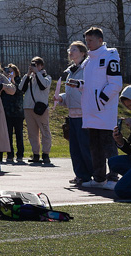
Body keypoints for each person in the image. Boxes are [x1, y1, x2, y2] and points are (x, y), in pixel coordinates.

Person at [81, 27, 123, 190]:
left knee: (109, 147)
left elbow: (115, 84)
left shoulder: (110, 57)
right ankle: (98, 178)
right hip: (91, 112)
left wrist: (100, 102)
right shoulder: (88, 60)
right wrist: (79, 85)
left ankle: (113, 178)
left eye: (90, 41)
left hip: (104, 112)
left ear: (100, 40)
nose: (88, 44)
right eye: (87, 41)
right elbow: (91, 84)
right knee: (95, 147)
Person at [57, 41, 93, 186]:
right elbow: (70, 93)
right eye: (69, 49)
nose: (71, 52)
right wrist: (61, 98)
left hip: (85, 114)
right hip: (72, 114)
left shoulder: (87, 68)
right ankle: (80, 175)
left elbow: (88, 88)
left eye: (74, 49)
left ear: (83, 53)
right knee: (75, 148)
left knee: (85, 147)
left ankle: (93, 175)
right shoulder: (70, 71)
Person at [20, 56, 52, 164]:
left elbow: (43, 85)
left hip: (41, 109)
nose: (34, 67)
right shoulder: (29, 77)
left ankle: (46, 154)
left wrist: (37, 73)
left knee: (45, 131)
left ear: (41, 66)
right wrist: (28, 74)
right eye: (33, 64)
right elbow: (21, 88)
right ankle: (36, 154)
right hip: (28, 108)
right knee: (32, 133)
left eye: (37, 65)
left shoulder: (47, 77)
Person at [0, 62, 25, 164]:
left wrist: (13, 80)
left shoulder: (20, 81)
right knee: (8, 134)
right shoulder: (4, 82)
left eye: (11, 71)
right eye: (7, 71)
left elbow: (20, 91)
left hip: (18, 112)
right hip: (7, 112)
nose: (9, 73)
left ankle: (20, 155)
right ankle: (9, 154)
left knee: (19, 134)